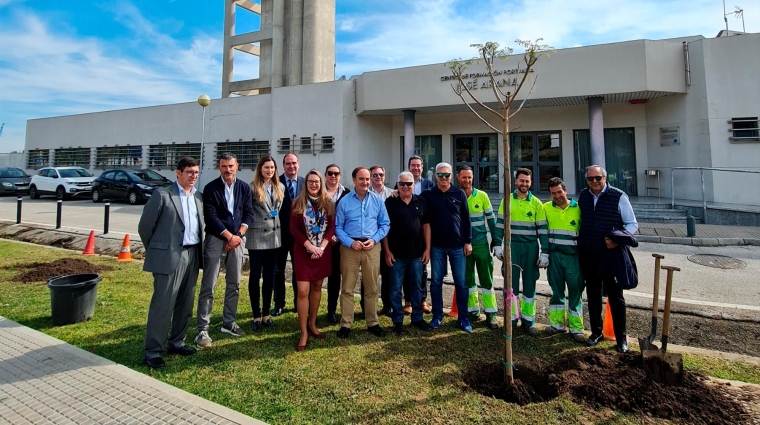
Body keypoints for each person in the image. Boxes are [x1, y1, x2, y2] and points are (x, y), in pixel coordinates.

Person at [138, 157, 203, 369]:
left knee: (185, 302)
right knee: (163, 304)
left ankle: (177, 341)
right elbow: (145, 227)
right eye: (189, 172)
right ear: (178, 173)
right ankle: (153, 351)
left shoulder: (198, 197)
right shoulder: (162, 195)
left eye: (196, 172)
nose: (193, 176)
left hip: (192, 254)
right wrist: (159, 250)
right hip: (169, 257)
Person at [195, 153, 254, 349]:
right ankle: (203, 329)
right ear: (218, 167)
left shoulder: (244, 188)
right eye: (223, 166)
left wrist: (238, 236)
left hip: (238, 240)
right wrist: (229, 237)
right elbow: (210, 216)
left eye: (231, 166)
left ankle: (229, 323)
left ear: (237, 166)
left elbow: (248, 213)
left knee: (234, 284)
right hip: (216, 239)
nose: (227, 170)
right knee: (209, 284)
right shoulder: (211, 188)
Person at [579, 165, 638, 353]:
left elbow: (632, 223)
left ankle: (621, 338)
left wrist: (618, 239)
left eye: (598, 178)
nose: (594, 182)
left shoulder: (618, 196)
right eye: (591, 179)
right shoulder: (584, 196)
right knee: (593, 294)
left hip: (610, 256)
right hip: (590, 254)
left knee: (615, 296)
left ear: (605, 178)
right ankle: (596, 332)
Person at [334, 167, 390, 339]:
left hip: (371, 247)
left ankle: (372, 322)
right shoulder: (344, 201)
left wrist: (374, 239)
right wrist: (350, 242)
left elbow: (385, 224)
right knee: (347, 288)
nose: (365, 182)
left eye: (367, 179)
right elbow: (337, 227)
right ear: (354, 180)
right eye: (361, 179)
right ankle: (346, 324)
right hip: (350, 248)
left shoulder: (377, 201)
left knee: (372, 288)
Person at [493, 168, 548, 336]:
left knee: (530, 283)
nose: (524, 184)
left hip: (531, 247)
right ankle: (512, 318)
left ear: (530, 183)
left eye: (527, 181)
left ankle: (528, 320)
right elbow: (500, 225)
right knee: (511, 284)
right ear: (515, 181)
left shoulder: (537, 203)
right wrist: (497, 245)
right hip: (512, 247)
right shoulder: (507, 200)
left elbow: (543, 230)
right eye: (521, 181)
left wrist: (545, 252)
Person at [420, 162, 472, 333]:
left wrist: (468, 241)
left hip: (457, 246)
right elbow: (417, 210)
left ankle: (463, 318)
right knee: (435, 282)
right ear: (435, 176)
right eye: (440, 175)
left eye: (447, 175)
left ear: (452, 176)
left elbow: (466, 219)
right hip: (437, 247)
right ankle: (437, 316)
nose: (443, 178)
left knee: (461, 283)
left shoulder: (459, 193)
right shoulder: (428, 195)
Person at [290, 170, 335, 351]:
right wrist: (310, 247)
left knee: (317, 287)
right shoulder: (297, 203)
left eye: (316, 181)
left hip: (322, 252)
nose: (314, 184)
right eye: (310, 181)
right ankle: (303, 332)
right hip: (303, 252)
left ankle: (312, 323)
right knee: (302, 291)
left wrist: (321, 247)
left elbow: (332, 228)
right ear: (306, 183)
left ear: (321, 183)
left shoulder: (328, 203)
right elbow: (293, 229)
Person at [383, 171, 431, 335]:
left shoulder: (421, 201)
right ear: (397, 185)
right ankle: (397, 320)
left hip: (417, 254)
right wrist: (387, 251)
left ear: (413, 185)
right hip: (396, 254)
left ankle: (417, 318)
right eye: (401, 184)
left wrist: (427, 249)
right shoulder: (390, 202)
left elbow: (426, 226)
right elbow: (385, 228)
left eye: (409, 184)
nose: (405, 187)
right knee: (395, 289)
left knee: (416, 287)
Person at [543, 177, 586, 343]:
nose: (557, 196)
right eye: (553, 193)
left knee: (575, 291)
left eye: (559, 192)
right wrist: (544, 253)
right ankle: (557, 324)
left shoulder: (578, 209)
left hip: (573, 258)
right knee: (556, 291)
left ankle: (576, 328)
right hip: (554, 257)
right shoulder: (546, 208)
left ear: (565, 191)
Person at [456, 166, 499, 330]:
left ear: (473, 178)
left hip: (480, 243)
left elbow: (491, 220)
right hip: (462, 245)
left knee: (486, 278)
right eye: (463, 177)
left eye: (469, 177)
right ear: (458, 177)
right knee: (468, 280)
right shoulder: (455, 195)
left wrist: (495, 240)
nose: (466, 180)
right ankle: (472, 312)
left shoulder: (482, 196)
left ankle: (491, 314)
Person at [246, 155, 285, 332]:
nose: (269, 170)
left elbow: (278, 210)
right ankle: (255, 316)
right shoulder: (252, 188)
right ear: (260, 169)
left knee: (269, 277)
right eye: (266, 167)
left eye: (272, 168)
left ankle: (266, 315)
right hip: (257, 237)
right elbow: (248, 211)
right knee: (255, 277)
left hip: (274, 237)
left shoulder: (280, 187)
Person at [272, 153, 304, 316]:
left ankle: (299, 302)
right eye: (288, 163)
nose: (291, 166)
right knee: (278, 270)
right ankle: (278, 303)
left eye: (294, 163)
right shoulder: (275, 182)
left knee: (298, 270)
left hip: (299, 236)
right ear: (283, 166)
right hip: (279, 234)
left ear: (298, 164)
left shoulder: (306, 183)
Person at [403, 155, 435, 315]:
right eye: (413, 165)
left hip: (424, 231)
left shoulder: (429, 185)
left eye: (418, 165)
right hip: (407, 235)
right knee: (406, 270)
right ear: (409, 167)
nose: (415, 168)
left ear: (422, 168)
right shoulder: (401, 184)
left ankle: (422, 300)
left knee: (422, 270)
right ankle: (408, 301)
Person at [324, 164, 350, 324]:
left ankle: (331, 311)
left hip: (340, 243)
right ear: (325, 175)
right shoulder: (319, 191)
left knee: (335, 277)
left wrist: (338, 236)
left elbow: (349, 218)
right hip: (320, 242)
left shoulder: (347, 193)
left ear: (340, 175)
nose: (333, 176)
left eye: (336, 173)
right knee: (317, 278)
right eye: (330, 173)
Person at [368, 165, 394, 316]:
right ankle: (367, 307)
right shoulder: (363, 194)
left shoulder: (393, 194)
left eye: (381, 175)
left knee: (388, 275)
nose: (378, 177)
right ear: (371, 177)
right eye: (375, 175)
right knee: (369, 276)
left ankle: (387, 305)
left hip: (388, 241)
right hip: (370, 241)